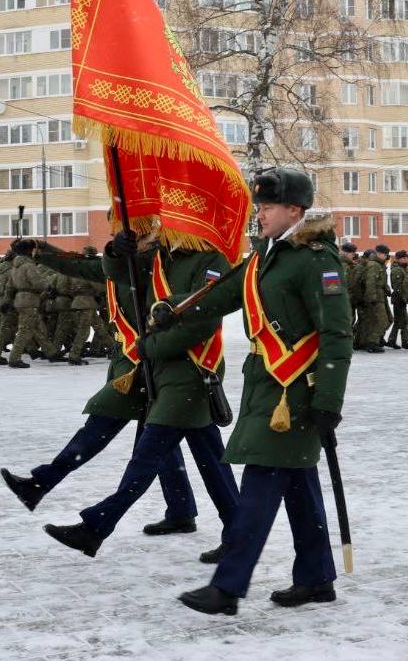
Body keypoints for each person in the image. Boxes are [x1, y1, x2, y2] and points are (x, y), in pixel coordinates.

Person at [152, 167, 350, 616]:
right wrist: (175, 313)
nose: (259, 214)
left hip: (294, 394)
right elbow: (225, 294)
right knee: (297, 483)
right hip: (266, 386)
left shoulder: (316, 260)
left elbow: (337, 336)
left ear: (295, 211)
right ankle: (317, 578)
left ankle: (228, 586)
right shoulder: (267, 256)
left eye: (267, 207)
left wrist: (328, 403)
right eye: (259, 206)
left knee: (260, 484)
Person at [42, 227, 239, 563]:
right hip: (163, 373)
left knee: (146, 457)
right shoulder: (163, 258)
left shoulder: (211, 259)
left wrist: (150, 345)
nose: (165, 227)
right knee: (210, 460)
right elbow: (120, 273)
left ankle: (96, 527)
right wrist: (118, 251)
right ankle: (238, 531)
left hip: (191, 373)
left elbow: (203, 319)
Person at [0, 239, 202, 544]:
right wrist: (41, 250)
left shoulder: (153, 264)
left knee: (103, 429)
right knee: (158, 444)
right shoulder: (121, 261)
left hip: (145, 366)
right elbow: (81, 265)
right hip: (134, 362)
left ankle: (44, 485)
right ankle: (181, 510)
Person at [7, 240, 58, 368]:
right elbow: (37, 282)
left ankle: (51, 353)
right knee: (25, 330)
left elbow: (9, 286)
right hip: (29, 300)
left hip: (21, 300)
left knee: (38, 328)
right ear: (29, 251)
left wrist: (7, 300)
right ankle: (14, 358)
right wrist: (49, 287)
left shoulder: (15, 267)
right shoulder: (28, 266)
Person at [356, 245, 389, 353]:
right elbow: (370, 282)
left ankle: (368, 342)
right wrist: (372, 297)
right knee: (381, 320)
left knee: (375, 320)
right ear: (379, 253)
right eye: (385, 254)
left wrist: (387, 289)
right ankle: (372, 342)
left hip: (379, 295)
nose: (386, 256)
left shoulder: (378, 264)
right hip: (375, 297)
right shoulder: (374, 265)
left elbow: (380, 281)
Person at [386, 250, 408, 350]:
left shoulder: (403, 268)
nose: (405, 260)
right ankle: (400, 341)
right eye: (403, 258)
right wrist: (405, 297)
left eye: (406, 258)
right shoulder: (397, 270)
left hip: (402, 298)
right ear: (398, 259)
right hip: (398, 298)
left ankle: (395, 340)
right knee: (402, 320)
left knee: (401, 320)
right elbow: (397, 286)